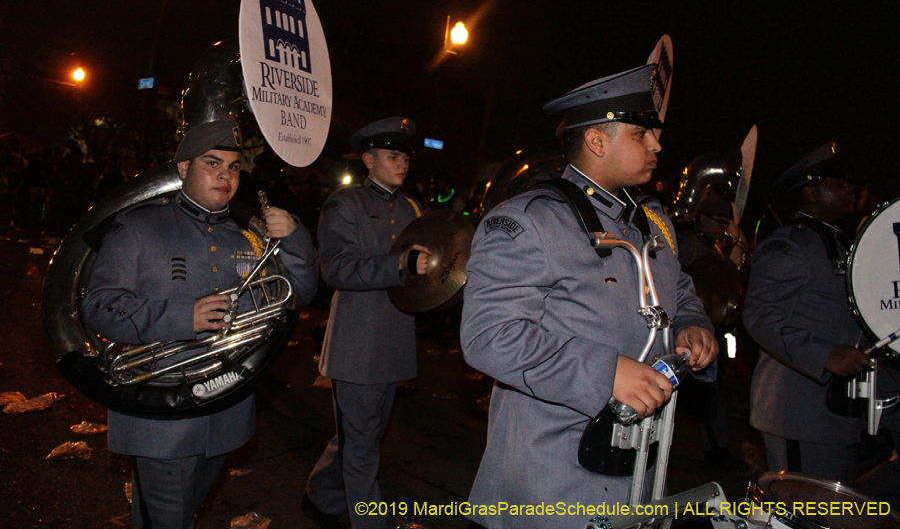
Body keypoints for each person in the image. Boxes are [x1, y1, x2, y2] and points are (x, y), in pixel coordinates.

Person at [460, 62, 718, 529]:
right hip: (551, 477)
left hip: (640, 464)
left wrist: (692, 324)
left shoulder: (651, 219)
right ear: (597, 141)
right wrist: (605, 373)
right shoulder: (530, 221)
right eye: (641, 134)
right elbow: (488, 336)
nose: (657, 144)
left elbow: (677, 287)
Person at [83, 120, 319, 529]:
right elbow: (100, 307)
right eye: (213, 163)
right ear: (182, 167)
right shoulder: (138, 227)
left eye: (233, 166)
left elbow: (301, 291)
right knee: (172, 518)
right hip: (160, 412)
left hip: (226, 408)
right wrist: (181, 316)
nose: (226, 175)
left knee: (166, 513)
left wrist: (295, 238)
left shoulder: (248, 236)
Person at [303, 117, 429, 529]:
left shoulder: (411, 206)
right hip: (357, 342)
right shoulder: (346, 204)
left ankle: (322, 496)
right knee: (362, 446)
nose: (402, 163)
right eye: (393, 156)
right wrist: (400, 264)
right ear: (368, 160)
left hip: (394, 338)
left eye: (405, 157)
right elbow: (336, 270)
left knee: (362, 438)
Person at [743, 141, 869, 484]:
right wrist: (825, 355)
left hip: (830, 413)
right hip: (797, 413)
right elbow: (759, 315)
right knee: (804, 516)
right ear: (811, 192)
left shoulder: (838, 242)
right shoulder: (790, 244)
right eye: (835, 182)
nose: (847, 189)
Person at [674, 192, 750, 470]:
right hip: (684, 331)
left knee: (711, 391)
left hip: (707, 325)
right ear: (702, 218)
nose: (721, 229)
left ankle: (718, 446)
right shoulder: (685, 243)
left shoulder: (713, 246)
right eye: (717, 222)